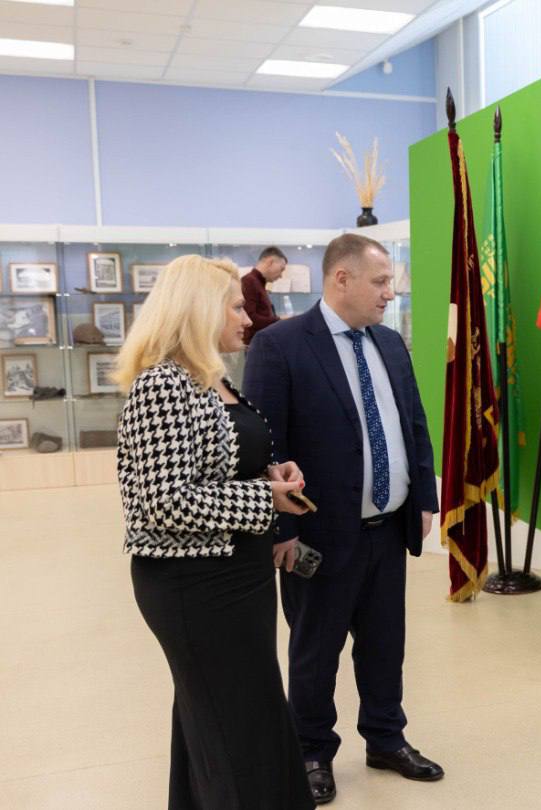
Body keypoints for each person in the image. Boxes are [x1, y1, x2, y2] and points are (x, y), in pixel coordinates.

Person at [244, 233, 442, 805]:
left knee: (385, 644)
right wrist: (283, 531)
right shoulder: (280, 346)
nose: (389, 293)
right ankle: (310, 751)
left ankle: (386, 738)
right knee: (315, 650)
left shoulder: (390, 343)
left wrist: (423, 497)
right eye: (380, 282)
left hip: (388, 527)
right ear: (341, 279)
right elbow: (265, 446)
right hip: (319, 535)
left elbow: (413, 423)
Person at [113, 255, 314, 809]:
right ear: (200, 310)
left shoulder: (210, 378)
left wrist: (269, 472)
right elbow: (163, 501)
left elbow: (216, 464)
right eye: (236, 307)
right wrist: (264, 498)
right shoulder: (162, 385)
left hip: (237, 575)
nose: (248, 318)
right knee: (233, 723)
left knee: (223, 716)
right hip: (195, 585)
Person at [242, 246, 288, 345]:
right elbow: (250, 319)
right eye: (281, 269)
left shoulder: (258, 283)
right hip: (254, 345)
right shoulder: (249, 282)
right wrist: (279, 321)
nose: (281, 275)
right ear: (270, 262)